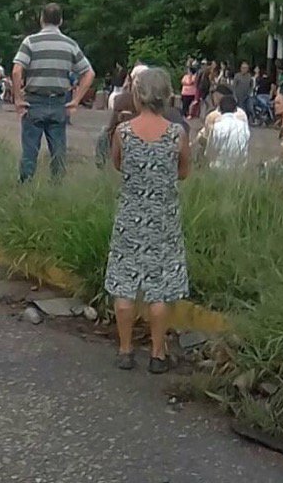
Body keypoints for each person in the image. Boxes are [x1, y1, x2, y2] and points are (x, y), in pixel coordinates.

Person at [105, 68, 191, 374]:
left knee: (125, 285)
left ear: (138, 96)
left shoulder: (123, 132)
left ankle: (125, 350)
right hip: (164, 218)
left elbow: (117, 164)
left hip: (130, 215)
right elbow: (183, 172)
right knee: (160, 287)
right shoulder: (176, 133)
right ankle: (157, 354)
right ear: (167, 96)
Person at [11, 3, 93, 182]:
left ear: (42, 19)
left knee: (30, 151)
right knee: (58, 152)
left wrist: (18, 98)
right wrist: (76, 99)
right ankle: (57, 188)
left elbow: (17, 71)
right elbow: (89, 73)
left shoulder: (31, 42)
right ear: (60, 21)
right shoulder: (70, 44)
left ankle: (26, 186)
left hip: (34, 102)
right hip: (58, 102)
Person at [204, 95, 250, 169]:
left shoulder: (217, 127)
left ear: (219, 110)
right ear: (235, 110)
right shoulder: (243, 126)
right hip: (240, 167)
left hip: (219, 168)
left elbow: (209, 152)